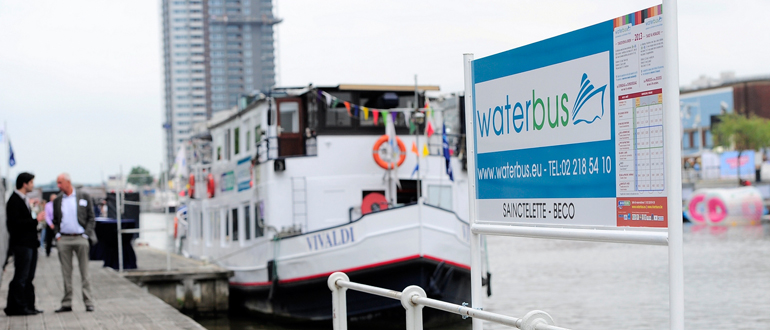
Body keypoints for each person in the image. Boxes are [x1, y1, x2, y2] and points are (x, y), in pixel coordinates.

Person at [52, 173, 97, 313]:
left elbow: (91, 217)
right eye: (57, 183)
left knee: (85, 272)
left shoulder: (83, 196)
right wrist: (58, 236)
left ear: (68, 182)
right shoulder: (58, 200)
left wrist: (86, 235)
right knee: (66, 272)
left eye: (60, 183)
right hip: (64, 239)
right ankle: (67, 302)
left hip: (80, 238)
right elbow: (55, 220)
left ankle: (88, 302)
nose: (58, 186)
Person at [4, 172, 44, 316]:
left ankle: (28, 305)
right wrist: (36, 220)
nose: (33, 185)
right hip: (22, 245)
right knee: (21, 277)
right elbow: (15, 224)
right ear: (24, 183)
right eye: (31, 182)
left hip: (30, 244)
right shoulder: (14, 200)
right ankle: (17, 307)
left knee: (28, 277)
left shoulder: (23, 199)